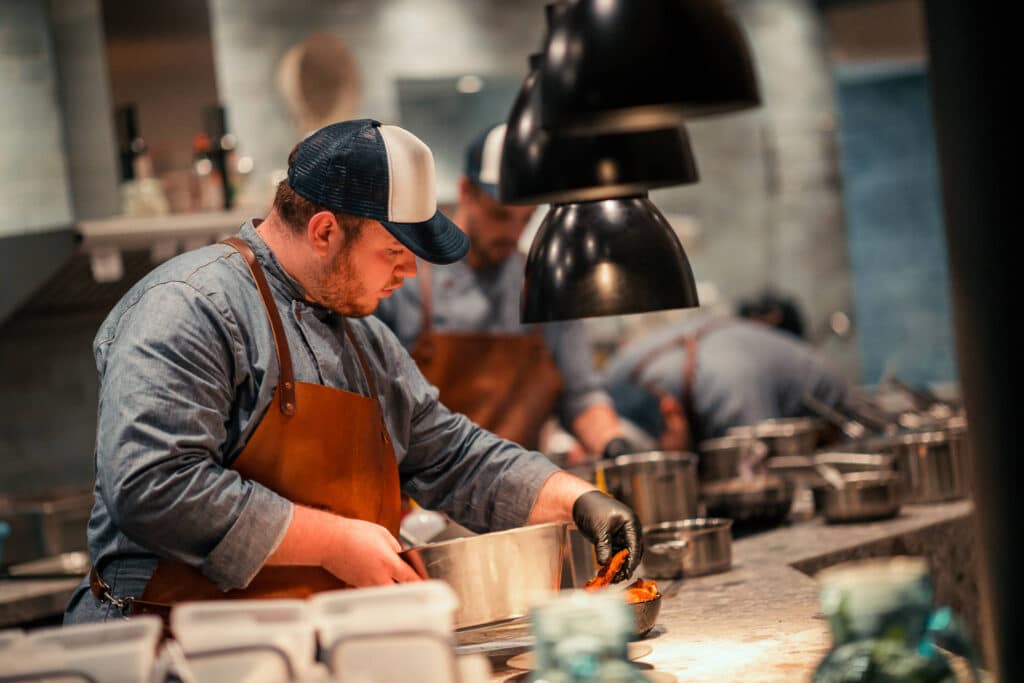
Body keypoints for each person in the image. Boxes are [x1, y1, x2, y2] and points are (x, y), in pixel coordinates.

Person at [65, 119, 641, 623]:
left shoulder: (363, 336)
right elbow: (151, 485)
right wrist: (333, 541)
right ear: (323, 231)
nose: (410, 273)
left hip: (291, 644)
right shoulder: (190, 305)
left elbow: (452, 457)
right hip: (163, 647)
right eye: (395, 252)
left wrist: (577, 500)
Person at [375, 123, 635, 462]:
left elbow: (581, 396)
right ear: (466, 191)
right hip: (418, 503)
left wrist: (616, 446)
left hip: (520, 496)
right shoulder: (404, 278)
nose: (513, 234)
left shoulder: (543, 283)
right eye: (500, 216)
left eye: (525, 220)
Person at [603, 309, 849, 451]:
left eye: (663, 458)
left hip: (829, 413)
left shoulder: (729, 397)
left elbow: (759, 467)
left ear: (671, 413)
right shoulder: (611, 379)